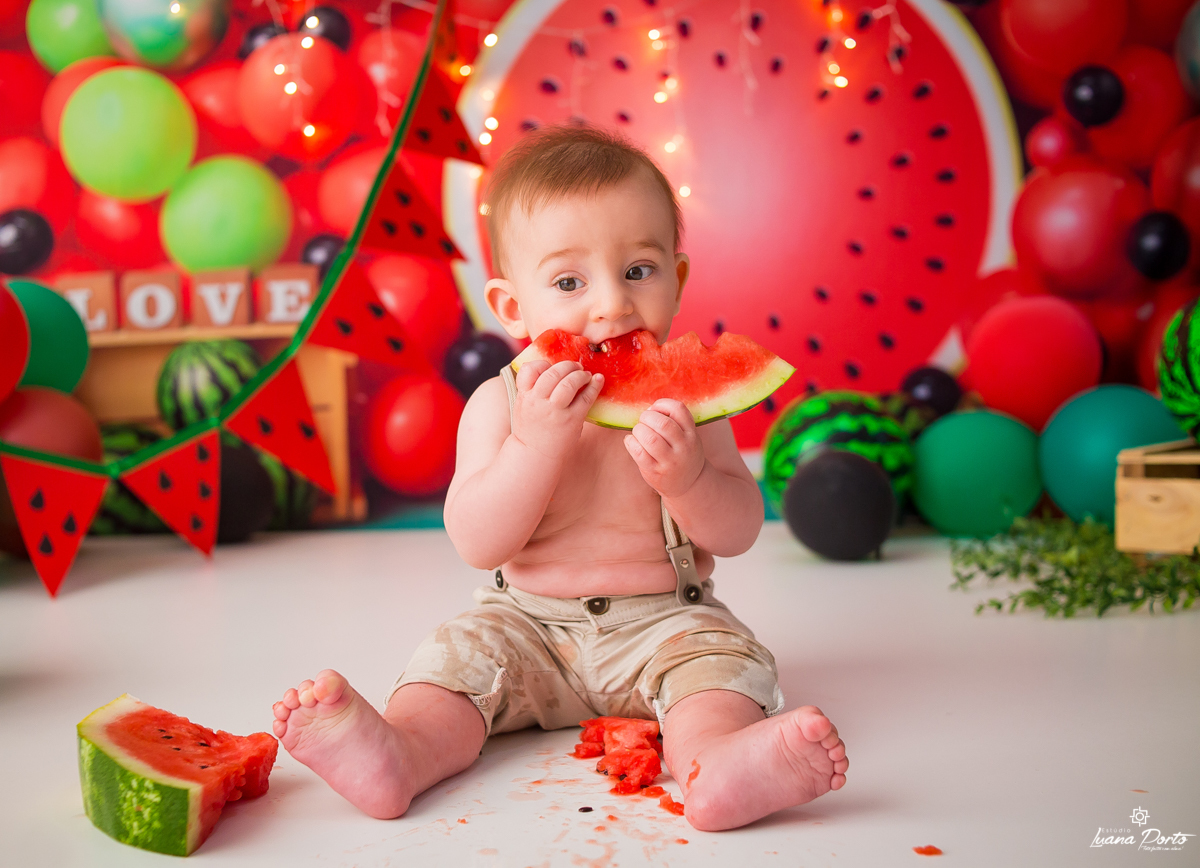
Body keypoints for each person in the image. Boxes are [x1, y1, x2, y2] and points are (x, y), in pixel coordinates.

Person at [272, 124, 848, 832]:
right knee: (450, 668)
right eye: (570, 282)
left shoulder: (690, 409)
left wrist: (689, 478)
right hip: (524, 627)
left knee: (719, 675)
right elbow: (478, 542)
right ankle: (402, 752)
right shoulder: (499, 403)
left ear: (679, 276)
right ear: (513, 307)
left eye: (638, 270)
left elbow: (738, 530)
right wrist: (536, 445)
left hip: (667, 625)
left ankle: (717, 764)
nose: (610, 305)